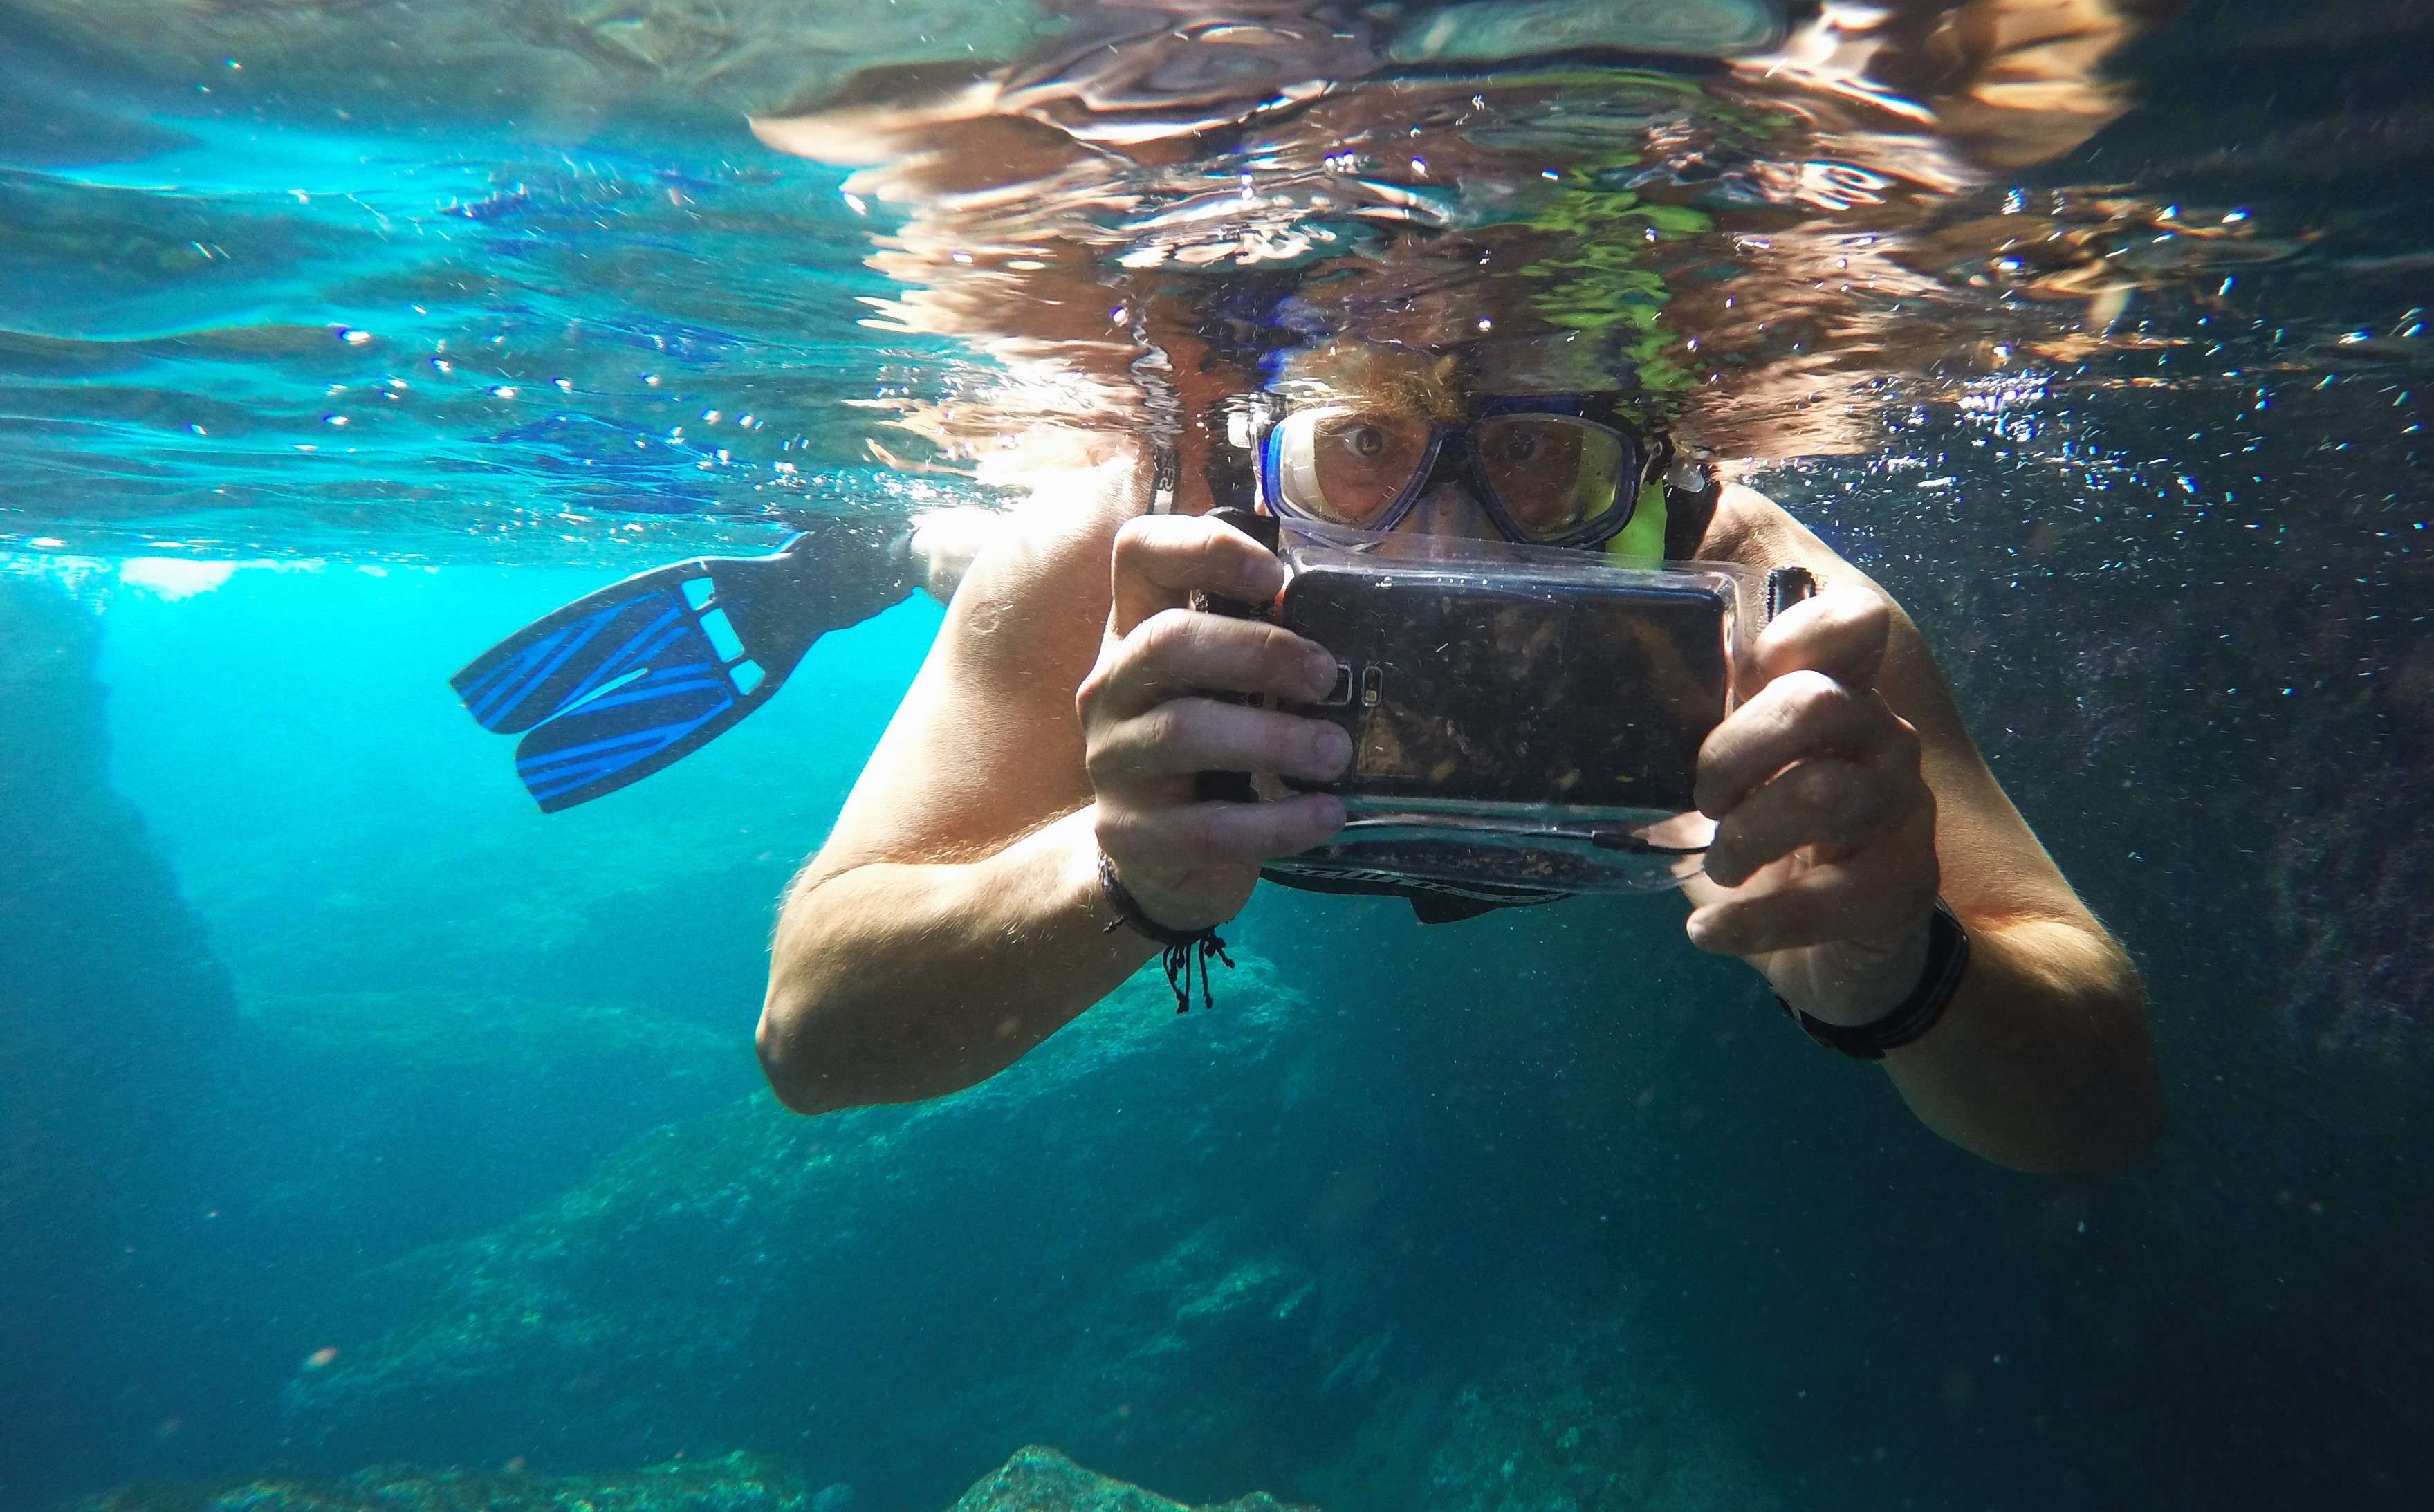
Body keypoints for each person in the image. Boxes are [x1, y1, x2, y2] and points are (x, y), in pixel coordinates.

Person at [755, 351, 2159, 1175]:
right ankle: (919, 548)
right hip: (1055, 606)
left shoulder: (1768, 606)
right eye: (1361, 447)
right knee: (987, 566)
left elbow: (2100, 1100)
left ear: (1646, 466)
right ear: (1263, 454)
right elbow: (814, 1038)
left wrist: (1902, 969)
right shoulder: (1126, 551)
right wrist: (1112, 871)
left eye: (1539, 449)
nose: (1442, 539)